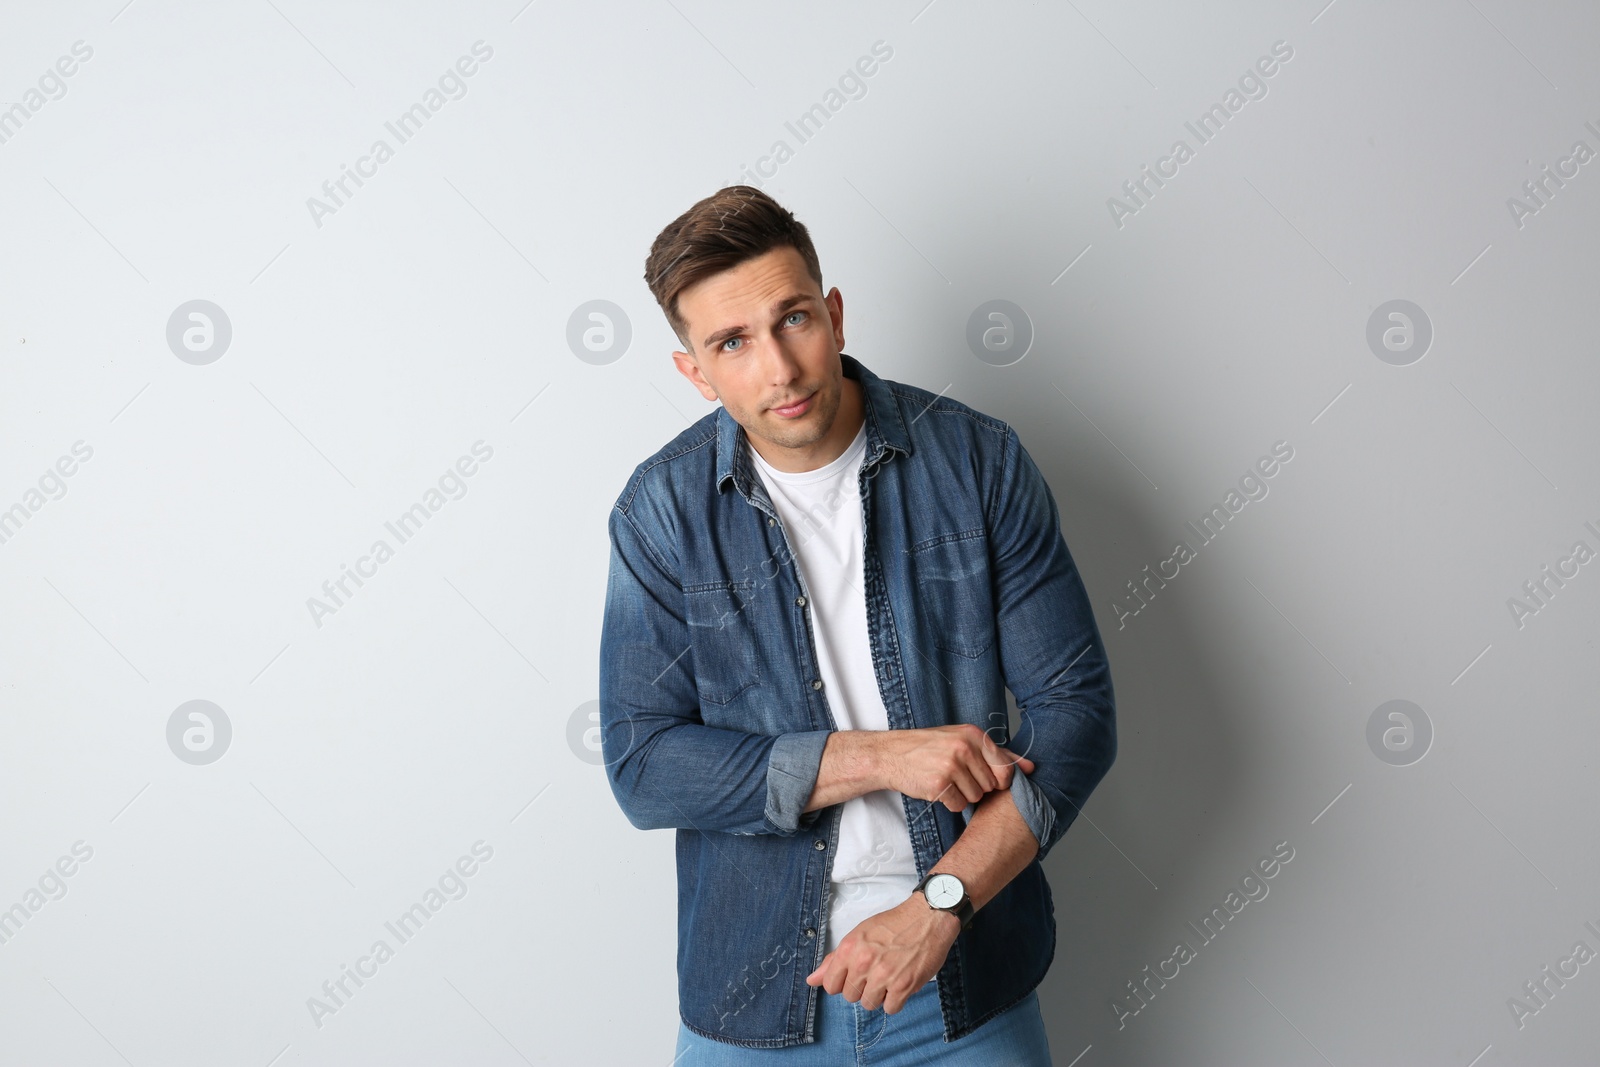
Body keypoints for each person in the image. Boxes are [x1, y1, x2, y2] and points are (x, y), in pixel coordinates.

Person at [598, 184, 1117, 1065]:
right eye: (733, 342)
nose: (780, 368)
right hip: (754, 999)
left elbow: (1077, 718)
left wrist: (937, 906)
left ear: (833, 314)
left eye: (792, 318)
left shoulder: (978, 461)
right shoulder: (661, 512)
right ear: (695, 370)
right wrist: (880, 754)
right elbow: (643, 764)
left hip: (962, 982)